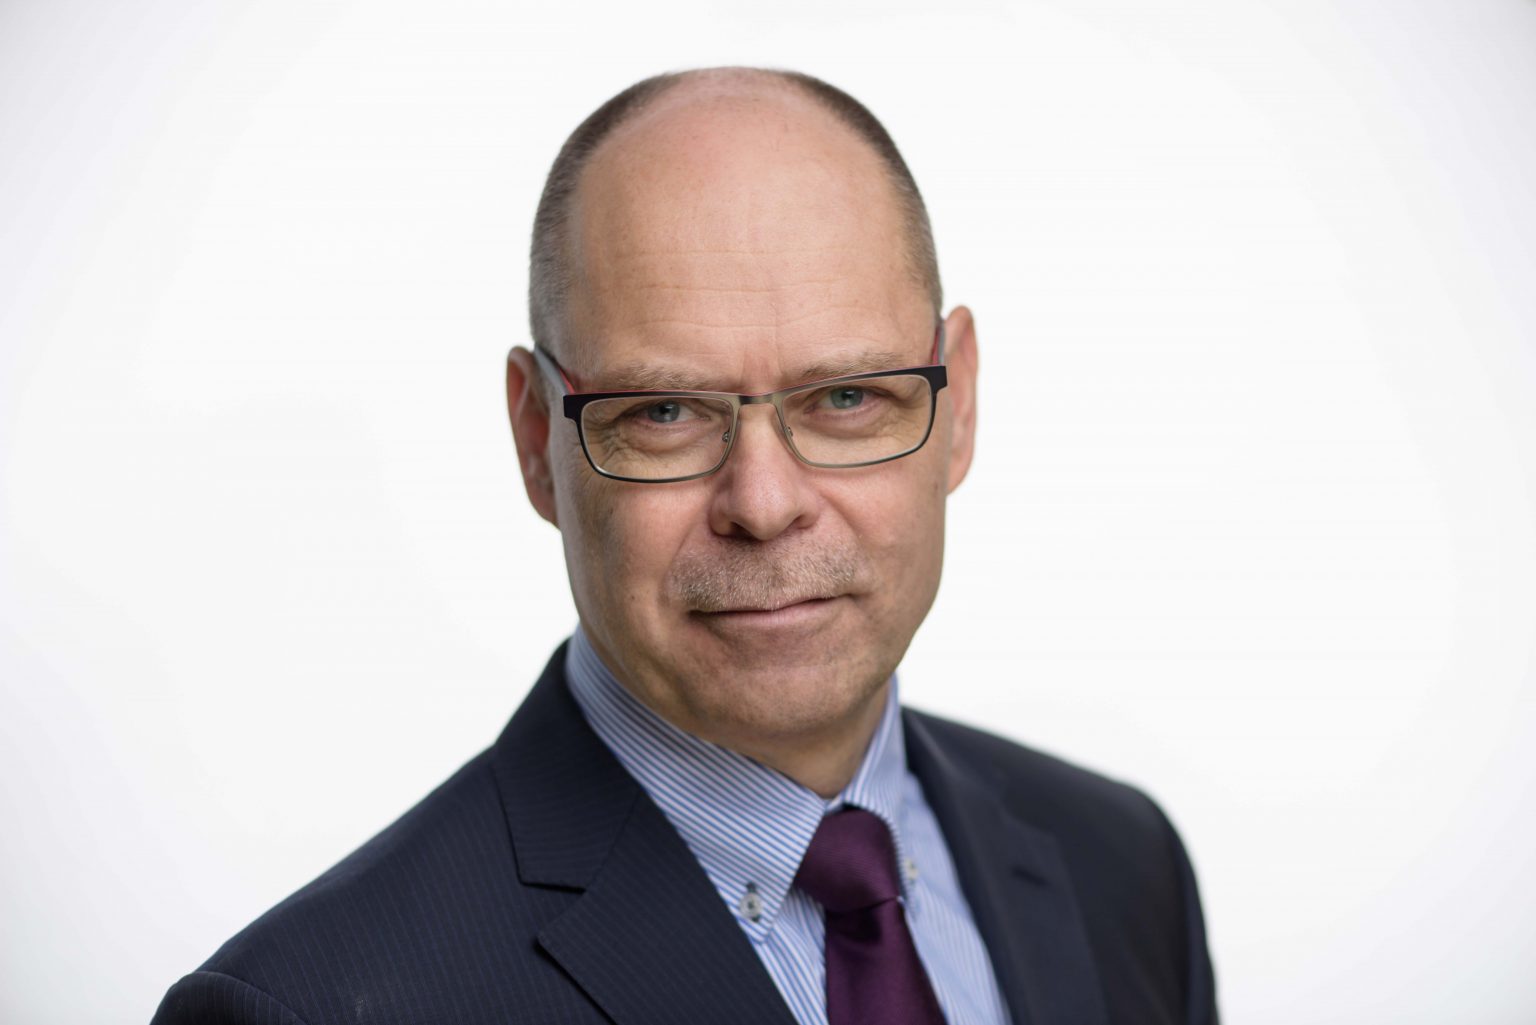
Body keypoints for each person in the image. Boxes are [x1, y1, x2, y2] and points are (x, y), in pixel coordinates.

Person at [151, 67, 1218, 1025]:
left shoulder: (1124, 867)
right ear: (536, 440)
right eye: (663, 412)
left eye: (848, 396)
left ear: (960, 404)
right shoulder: (302, 1007)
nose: (765, 502)